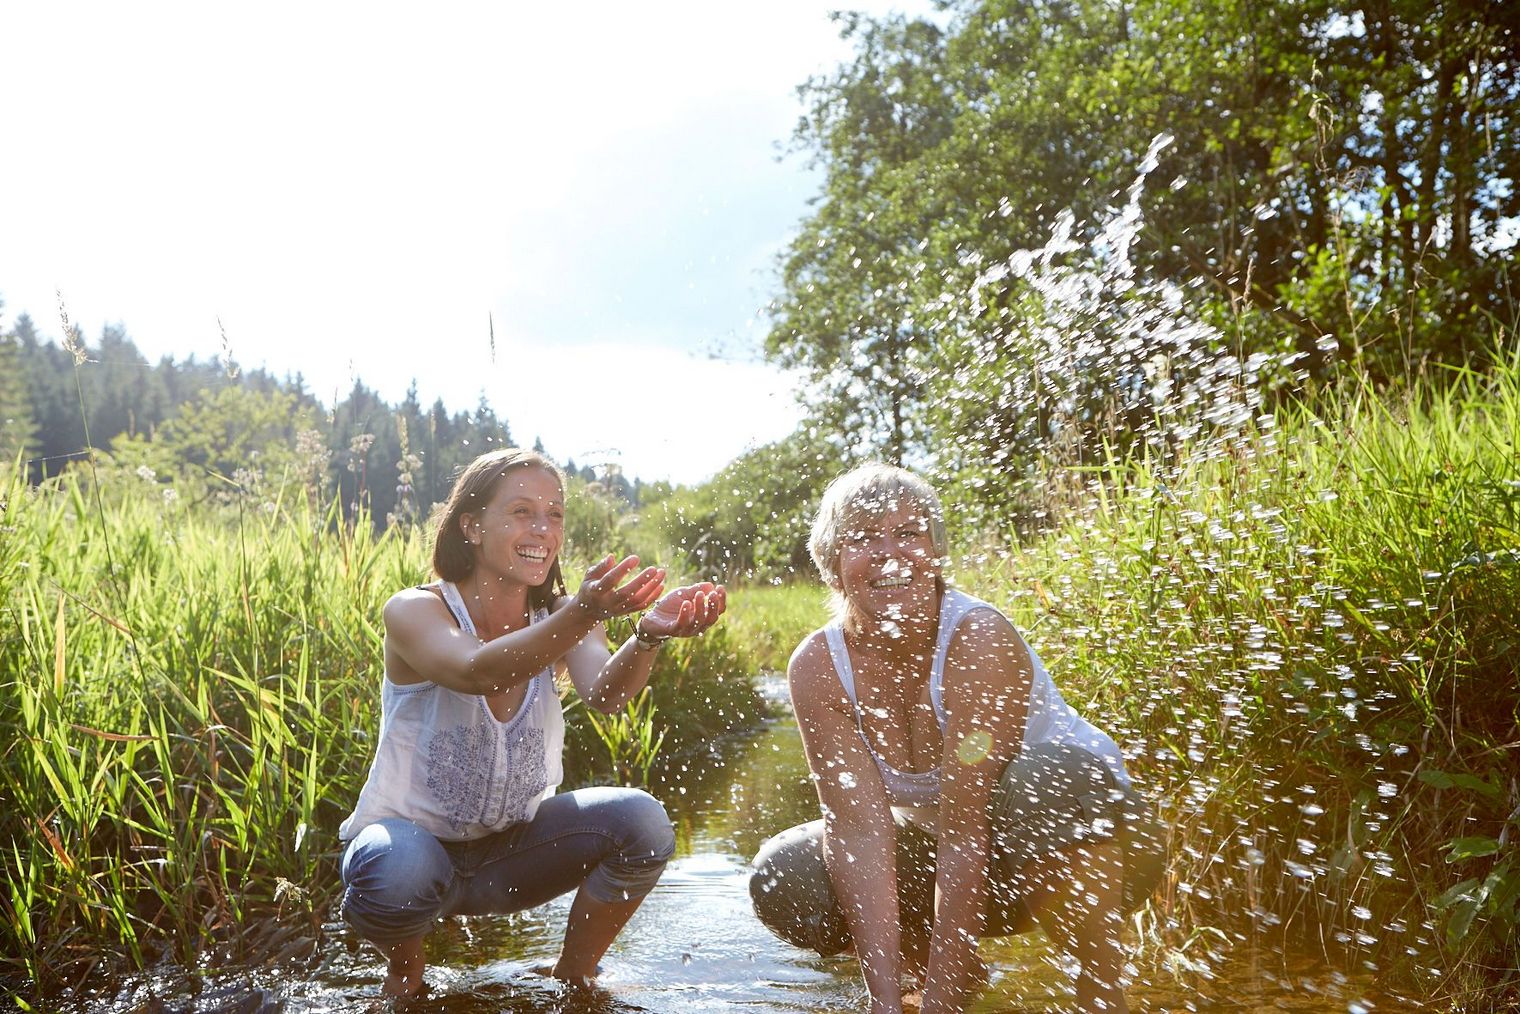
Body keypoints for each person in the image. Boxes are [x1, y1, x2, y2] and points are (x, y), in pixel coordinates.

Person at [749, 464, 1163, 1014]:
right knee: (787, 872)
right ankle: (942, 975)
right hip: (970, 863)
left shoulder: (978, 639)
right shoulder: (818, 667)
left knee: (1043, 781)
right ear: (832, 564)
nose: (890, 553)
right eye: (863, 537)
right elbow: (856, 832)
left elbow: (966, 828)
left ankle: (1101, 985)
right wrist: (884, 1001)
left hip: (1090, 843)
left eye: (909, 533)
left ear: (936, 552)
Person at [339, 448, 726, 998]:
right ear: (471, 526)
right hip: (413, 853)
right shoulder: (414, 610)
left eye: (555, 514)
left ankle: (574, 977)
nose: (543, 529)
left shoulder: (565, 617)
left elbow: (607, 694)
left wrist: (649, 635)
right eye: (522, 511)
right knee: (395, 869)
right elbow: (476, 671)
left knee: (643, 822)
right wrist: (584, 612)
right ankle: (406, 978)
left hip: (512, 857)